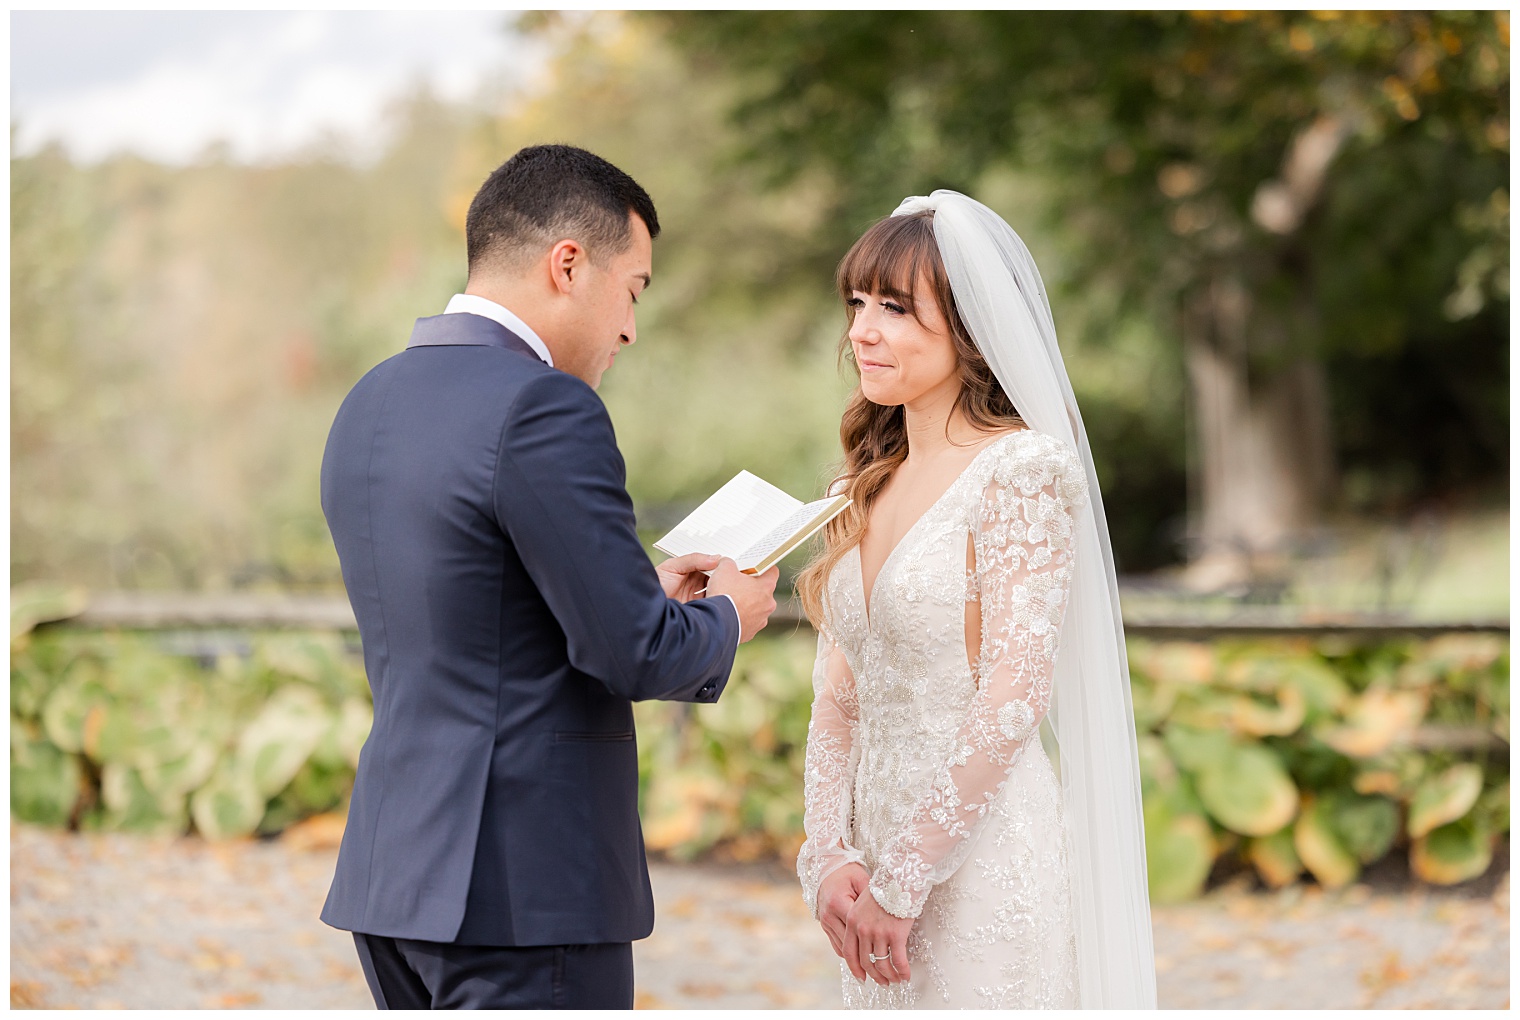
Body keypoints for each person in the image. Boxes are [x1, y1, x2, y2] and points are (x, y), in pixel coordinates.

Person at [318, 144, 780, 1009]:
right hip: (523, 887)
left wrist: (641, 592)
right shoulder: (545, 405)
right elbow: (633, 655)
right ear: (568, 264)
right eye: (634, 289)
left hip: (394, 874)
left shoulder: (370, 400)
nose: (631, 328)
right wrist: (728, 613)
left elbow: (480, 608)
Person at [793, 191, 1156, 1009]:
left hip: (984, 863)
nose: (861, 331)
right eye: (856, 304)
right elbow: (836, 700)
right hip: (869, 873)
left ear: (967, 328)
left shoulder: (1019, 473)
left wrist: (908, 878)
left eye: (894, 308)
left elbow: (1012, 697)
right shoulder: (862, 482)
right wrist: (829, 856)